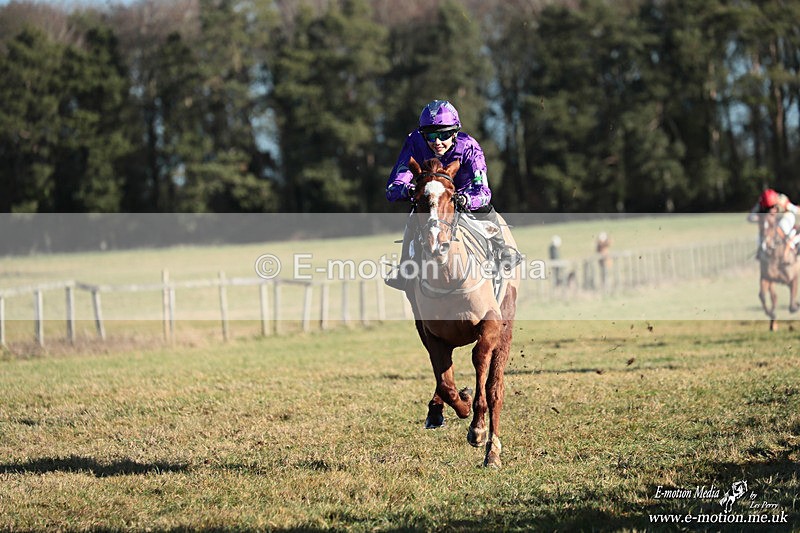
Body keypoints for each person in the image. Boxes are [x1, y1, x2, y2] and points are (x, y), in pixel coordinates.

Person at [385, 100, 519, 290]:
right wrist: (411, 190)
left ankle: (503, 250)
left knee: (485, 208)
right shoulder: (414, 142)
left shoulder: (469, 147)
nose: (437, 142)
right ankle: (405, 268)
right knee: (414, 216)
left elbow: (484, 192)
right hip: (432, 199)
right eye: (430, 135)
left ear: (455, 132)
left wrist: (465, 199)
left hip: (465, 195)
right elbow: (393, 186)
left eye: (444, 134)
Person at [747, 188, 800, 258]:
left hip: (784, 217)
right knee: (762, 233)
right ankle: (762, 252)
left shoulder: (782, 200)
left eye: (773, 207)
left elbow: (796, 210)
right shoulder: (760, 203)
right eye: (767, 208)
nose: (771, 210)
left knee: (783, 226)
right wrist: (761, 218)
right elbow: (750, 217)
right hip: (770, 222)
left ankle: (792, 247)